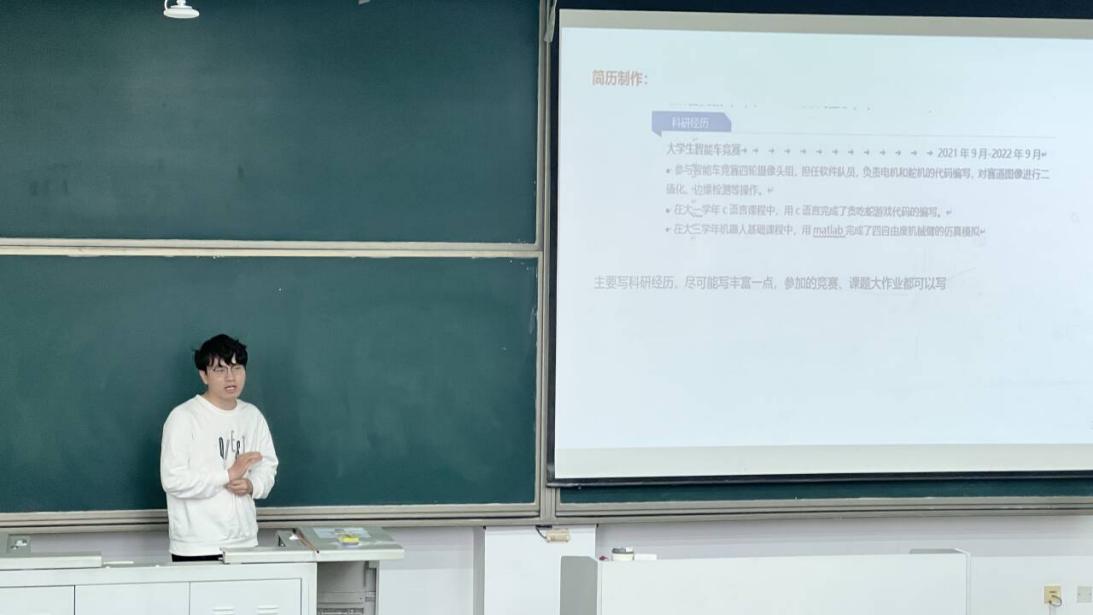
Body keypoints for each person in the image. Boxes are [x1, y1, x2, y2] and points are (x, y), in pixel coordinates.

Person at [160, 334, 278, 562]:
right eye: (220, 370)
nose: (230, 377)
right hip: (196, 546)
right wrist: (228, 475)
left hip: (244, 542)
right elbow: (173, 479)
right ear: (204, 375)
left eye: (236, 368)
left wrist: (253, 485)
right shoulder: (183, 417)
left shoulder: (252, 416)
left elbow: (268, 466)